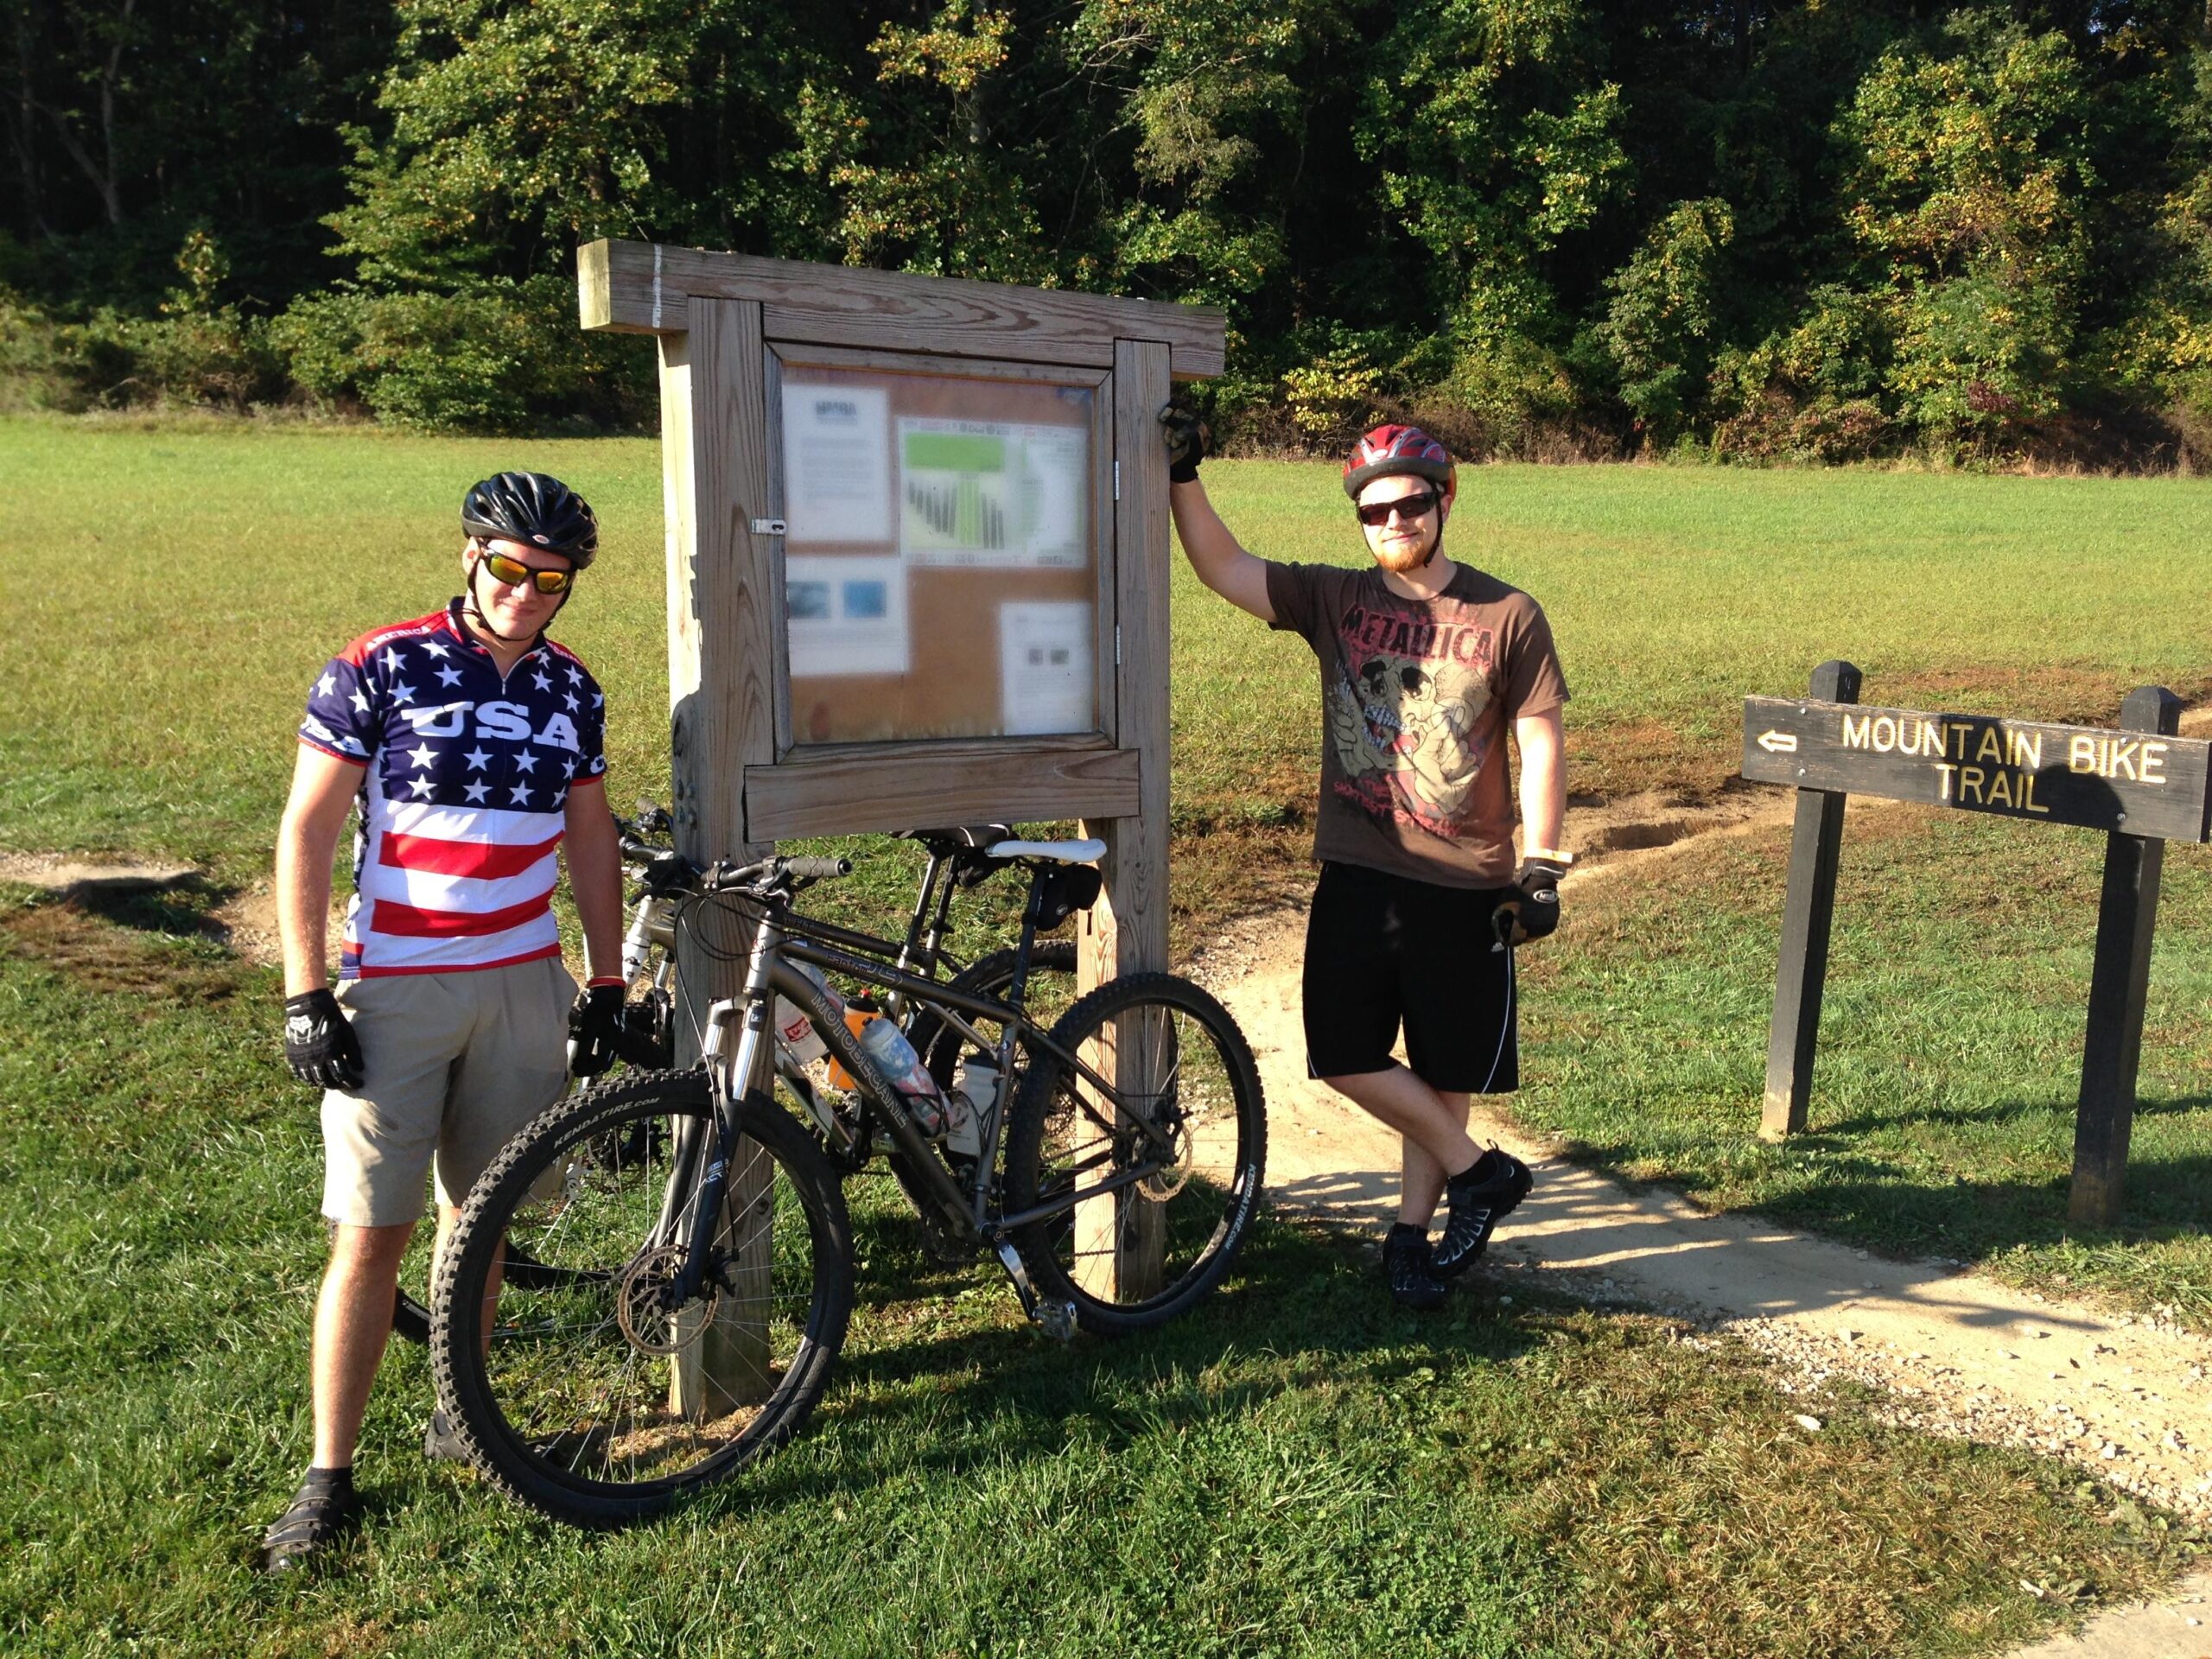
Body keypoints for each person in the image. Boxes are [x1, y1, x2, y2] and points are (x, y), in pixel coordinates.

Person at [262, 472, 630, 1570]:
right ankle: (328, 1478)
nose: (527, 592)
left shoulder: (574, 690)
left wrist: (605, 983)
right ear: (470, 557)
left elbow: (592, 840)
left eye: (550, 578)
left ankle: (462, 1425)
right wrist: (304, 989)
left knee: (486, 1221)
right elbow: (308, 831)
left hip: (523, 982)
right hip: (396, 987)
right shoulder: (381, 664)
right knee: (370, 1236)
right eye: (509, 568)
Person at [1163, 413, 1569, 1311]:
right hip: (1359, 866)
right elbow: (1224, 569)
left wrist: (1543, 865)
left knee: (1442, 1072)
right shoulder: (1336, 600)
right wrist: (1181, 472)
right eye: (1373, 512)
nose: (1392, 525)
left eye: (1410, 506)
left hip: (1467, 883)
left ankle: (1410, 1237)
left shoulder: (1507, 614)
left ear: (1444, 500)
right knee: (1344, 1052)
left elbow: (1539, 742)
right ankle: (1481, 1174)